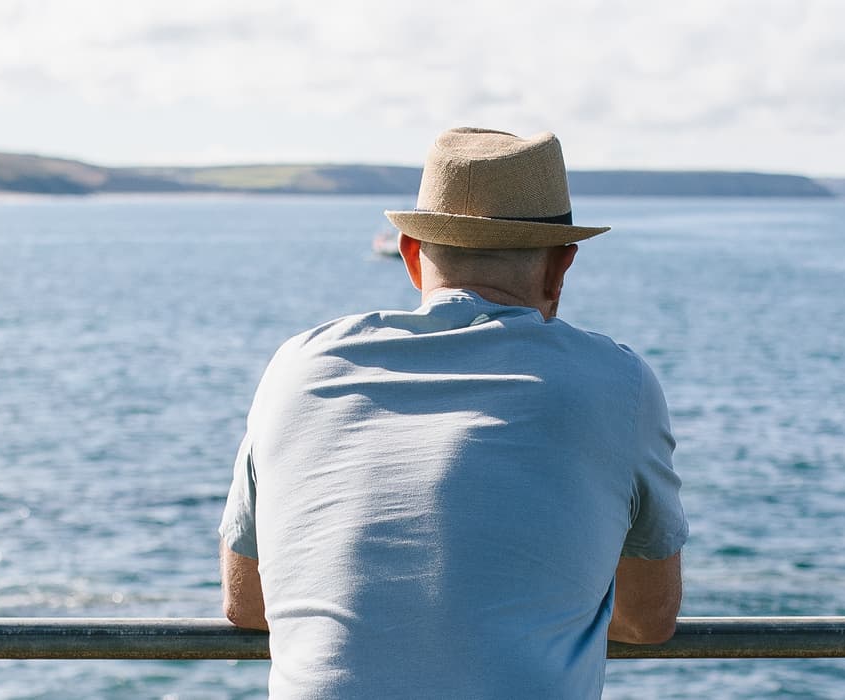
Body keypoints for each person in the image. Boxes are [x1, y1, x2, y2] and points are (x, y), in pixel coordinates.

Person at [218, 127, 687, 698]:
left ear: (411, 255)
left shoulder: (298, 366)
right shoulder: (617, 382)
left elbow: (248, 604)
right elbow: (647, 619)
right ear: (561, 268)